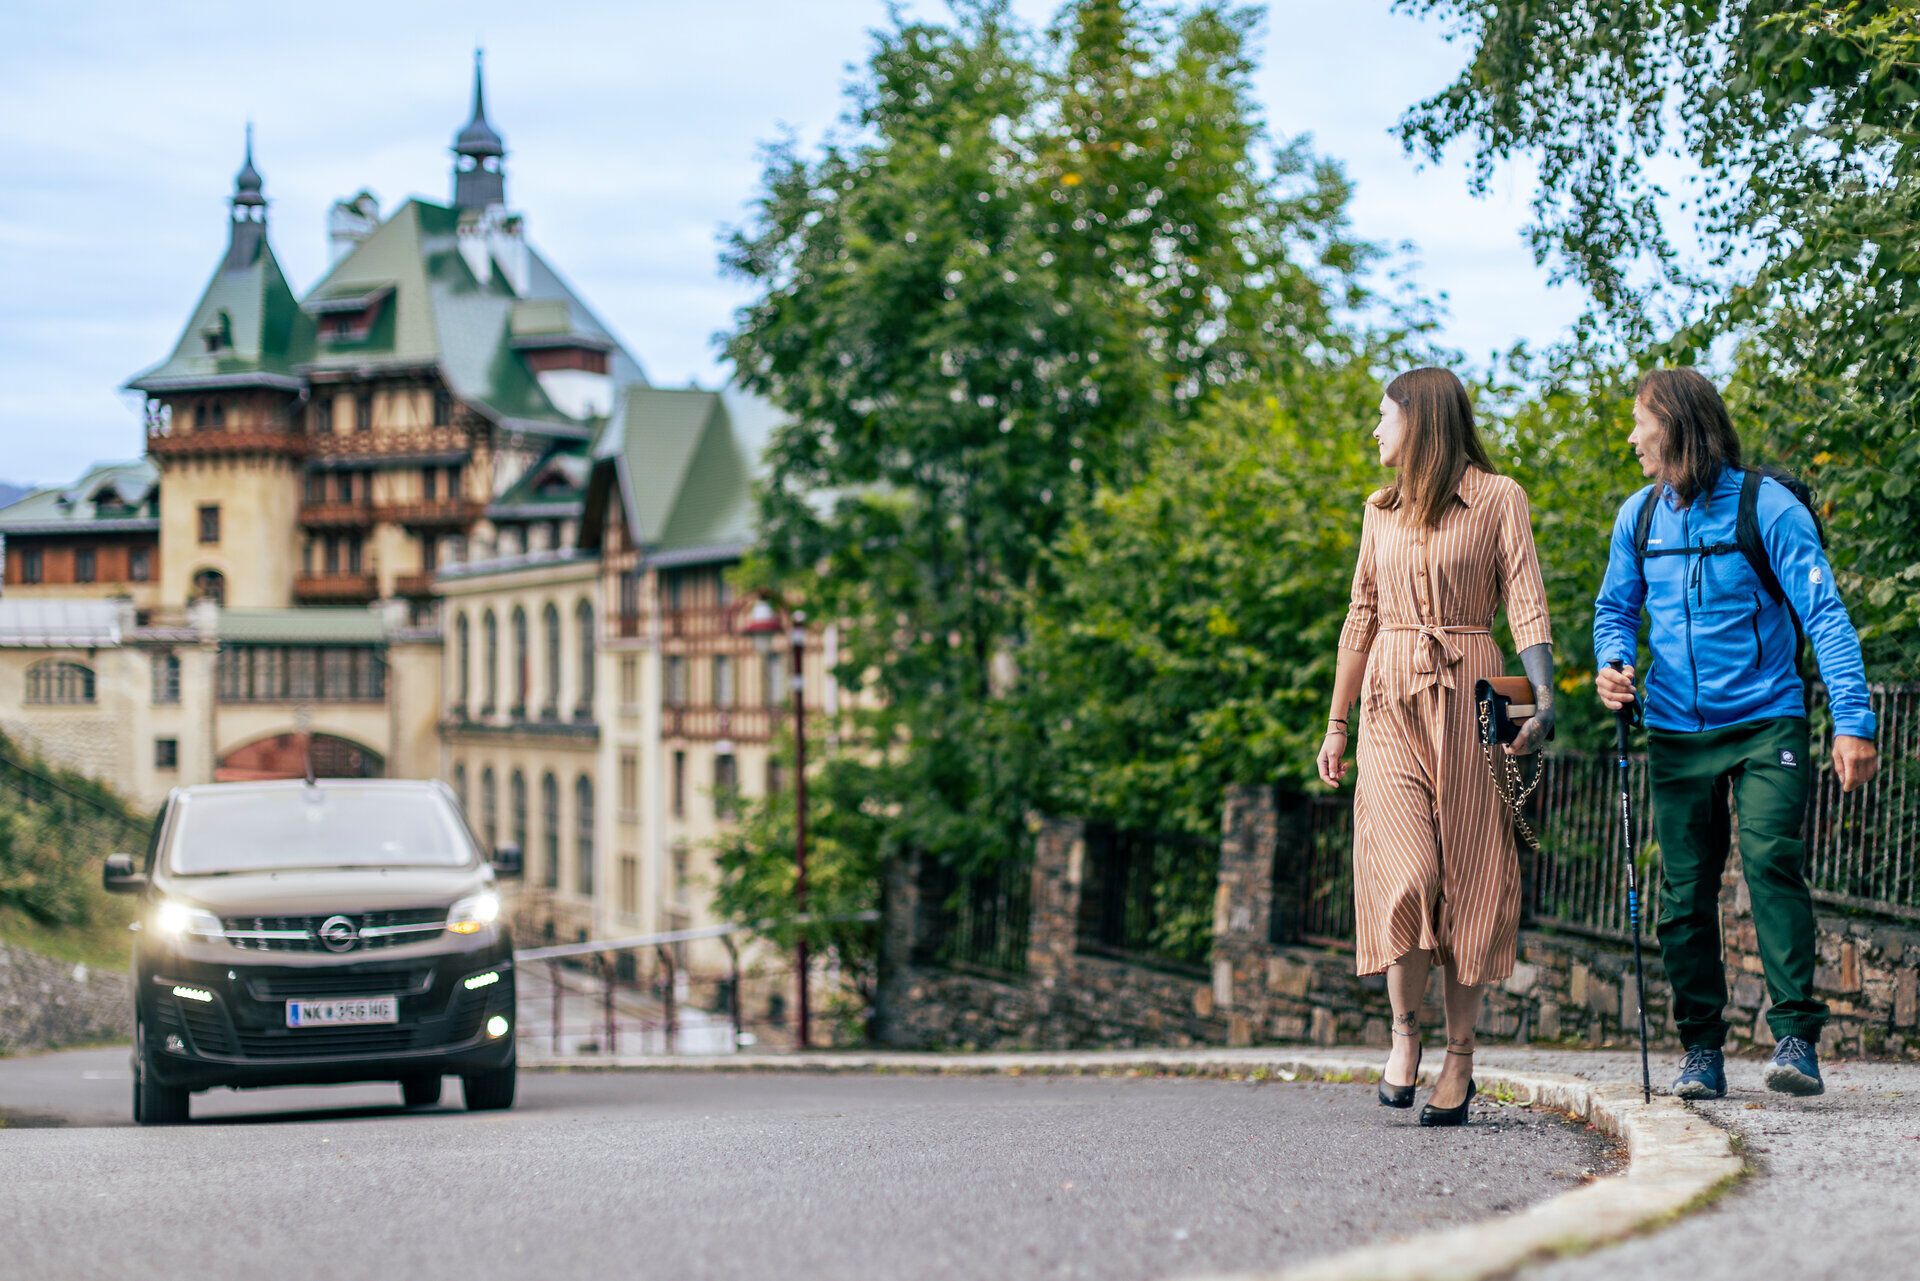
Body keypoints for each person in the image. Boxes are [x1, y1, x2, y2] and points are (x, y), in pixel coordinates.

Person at [1593, 368, 1879, 1099]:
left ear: (1676, 424)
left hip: (1765, 719)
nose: (1632, 437)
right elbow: (1615, 609)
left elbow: (1825, 615)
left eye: (1640, 421)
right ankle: (1701, 1050)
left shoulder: (1768, 507)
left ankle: (1795, 1037)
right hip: (1675, 728)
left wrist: (1853, 721)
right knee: (1684, 893)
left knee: (1770, 859)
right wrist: (1613, 662)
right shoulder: (1639, 517)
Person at [1318, 367, 1556, 1127]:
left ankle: (1460, 1056)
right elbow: (1360, 615)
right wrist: (1336, 722)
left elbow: (1526, 603)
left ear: (1419, 423)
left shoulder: (1499, 497)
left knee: (1475, 878)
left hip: (1481, 692)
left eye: (1383, 417)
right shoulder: (1379, 510)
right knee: (1407, 872)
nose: (1374, 432)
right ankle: (1403, 1032)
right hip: (1391, 695)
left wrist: (1543, 699)